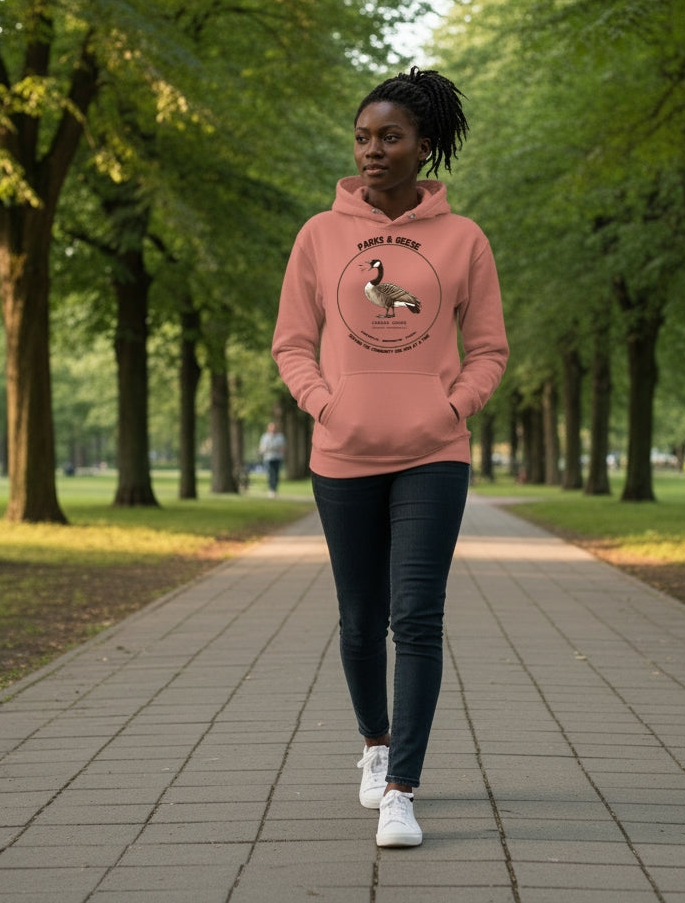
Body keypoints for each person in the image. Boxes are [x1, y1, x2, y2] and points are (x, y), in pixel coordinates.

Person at [271, 66, 508, 848]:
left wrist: (451, 406)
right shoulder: (319, 235)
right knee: (359, 617)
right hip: (342, 452)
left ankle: (403, 786)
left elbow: (490, 350)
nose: (372, 151)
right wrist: (326, 403)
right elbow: (292, 343)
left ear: (425, 147)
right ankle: (373, 744)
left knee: (417, 617)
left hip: (433, 455)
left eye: (391, 138)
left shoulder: (463, 239)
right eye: (363, 138)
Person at [257, 422, 286, 497]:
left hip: (277, 458)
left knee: (276, 474)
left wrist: (276, 449)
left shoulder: (280, 437)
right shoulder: (265, 437)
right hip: (268, 458)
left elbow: (282, 448)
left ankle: (274, 489)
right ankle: (271, 489)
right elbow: (262, 448)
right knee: (270, 473)